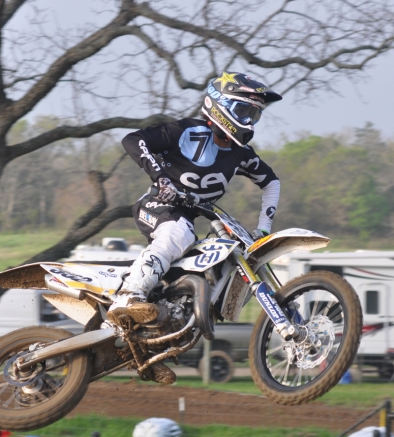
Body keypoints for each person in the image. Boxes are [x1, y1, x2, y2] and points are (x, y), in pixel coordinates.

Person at [107, 71, 282, 384]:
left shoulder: (240, 153)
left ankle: (151, 345)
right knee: (180, 231)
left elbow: (271, 182)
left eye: (254, 114)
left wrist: (263, 229)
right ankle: (129, 295)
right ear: (220, 105)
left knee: (209, 268)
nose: (249, 120)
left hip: (188, 217)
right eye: (244, 111)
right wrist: (161, 178)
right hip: (156, 206)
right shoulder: (187, 132)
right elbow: (133, 140)